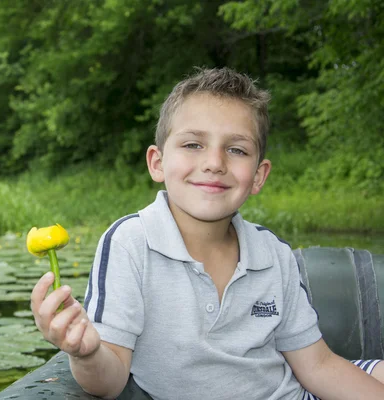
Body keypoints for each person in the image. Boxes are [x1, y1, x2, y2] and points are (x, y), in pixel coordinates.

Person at [30, 67, 384, 400]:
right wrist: (86, 353)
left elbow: (318, 366)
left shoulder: (271, 251)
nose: (215, 162)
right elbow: (110, 380)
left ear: (259, 175)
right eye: (193, 145)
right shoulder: (131, 241)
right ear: (157, 162)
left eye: (236, 149)